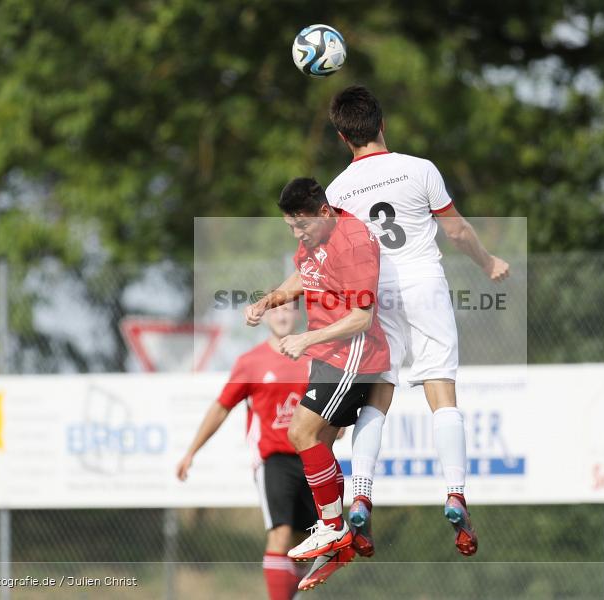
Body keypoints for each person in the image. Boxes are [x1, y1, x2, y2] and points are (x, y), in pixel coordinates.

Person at [325, 85, 511, 558]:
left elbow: (333, 260)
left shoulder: (337, 191)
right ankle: (454, 493)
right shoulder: (419, 168)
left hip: (374, 294)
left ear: (344, 137)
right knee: (442, 392)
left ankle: (361, 494)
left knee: (377, 399)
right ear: (382, 125)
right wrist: (488, 263)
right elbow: (456, 230)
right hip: (424, 284)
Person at [244, 177, 390, 589]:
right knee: (319, 446)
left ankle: (334, 528)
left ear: (324, 212)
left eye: (301, 226)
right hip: (326, 356)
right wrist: (268, 300)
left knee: (300, 432)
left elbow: (362, 317)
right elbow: (302, 276)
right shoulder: (314, 235)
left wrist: (306, 338)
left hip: (353, 353)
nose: (296, 234)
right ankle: (339, 545)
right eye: (290, 227)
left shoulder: (355, 242)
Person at [176, 304, 318, 600]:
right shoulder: (251, 362)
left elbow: (328, 403)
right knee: (280, 533)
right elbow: (221, 407)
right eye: (275, 310)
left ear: (297, 315)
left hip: (312, 457)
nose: (281, 316)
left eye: (288, 310)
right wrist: (191, 451)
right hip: (274, 459)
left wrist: (335, 423)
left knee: (307, 542)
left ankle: (291, 595)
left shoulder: (315, 357)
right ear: (266, 316)